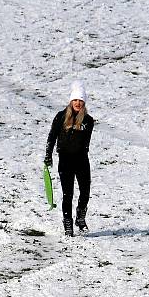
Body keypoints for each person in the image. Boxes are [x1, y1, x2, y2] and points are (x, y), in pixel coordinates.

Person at [44, 81, 95, 236]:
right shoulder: (60, 117)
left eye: (80, 101)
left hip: (81, 160)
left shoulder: (88, 121)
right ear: (71, 101)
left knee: (85, 191)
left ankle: (80, 216)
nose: (78, 103)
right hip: (65, 161)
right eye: (75, 100)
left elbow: (85, 143)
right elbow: (52, 137)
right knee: (68, 194)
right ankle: (68, 223)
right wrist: (48, 155)